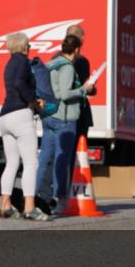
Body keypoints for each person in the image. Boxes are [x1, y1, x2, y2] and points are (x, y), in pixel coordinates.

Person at [37, 34, 95, 215]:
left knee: (45, 159)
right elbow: (64, 94)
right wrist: (84, 89)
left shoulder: (51, 63)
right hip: (64, 118)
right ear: (77, 49)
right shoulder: (68, 67)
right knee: (62, 160)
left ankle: (39, 197)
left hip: (49, 116)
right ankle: (59, 198)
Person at [0, 32, 45, 220]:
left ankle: (5, 205)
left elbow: (13, 84)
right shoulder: (24, 62)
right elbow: (19, 84)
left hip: (4, 116)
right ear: (24, 47)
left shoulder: (9, 64)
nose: (30, 48)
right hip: (20, 115)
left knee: (12, 163)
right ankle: (30, 208)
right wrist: (33, 101)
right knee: (31, 162)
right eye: (29, 45)